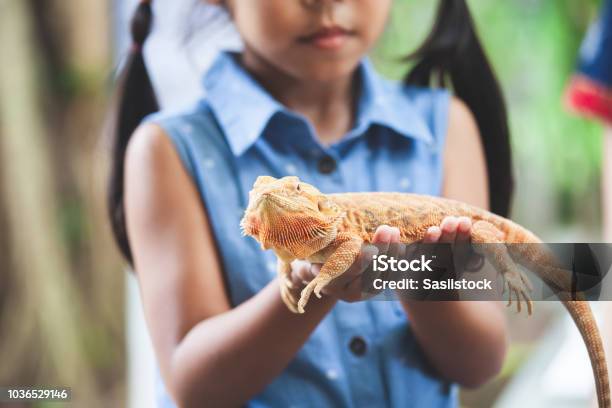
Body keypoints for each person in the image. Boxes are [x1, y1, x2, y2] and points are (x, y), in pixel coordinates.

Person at [108, 0, 510, 406]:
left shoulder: (445, 127)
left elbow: (481, 362)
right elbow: (192, 386)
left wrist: (414, 275)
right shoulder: (169, 150)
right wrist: (309, 284)